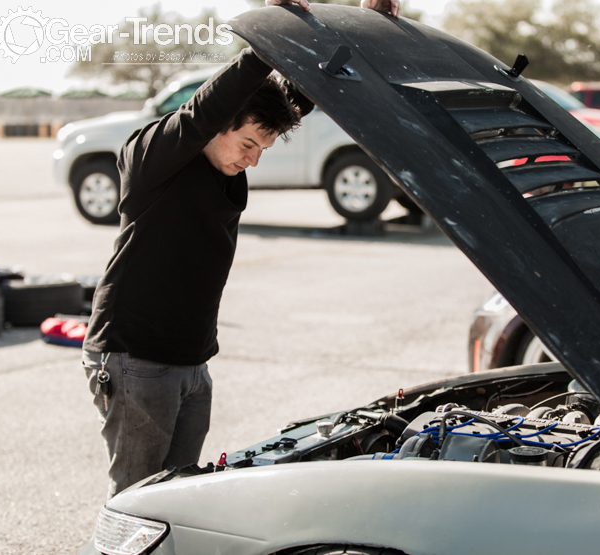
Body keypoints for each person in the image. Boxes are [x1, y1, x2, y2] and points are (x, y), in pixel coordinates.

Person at [82, 0, 400, 499]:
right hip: (135, 357)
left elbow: (302, 94)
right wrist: (270, 36)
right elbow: (206, 105)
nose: (252, 159)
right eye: (249, 144)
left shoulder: (231, 154)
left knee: (179, 498)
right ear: (219, 123)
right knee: (136, 499)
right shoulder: (153, 157)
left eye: (262, 151)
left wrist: (357, 33)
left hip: (191, 361)